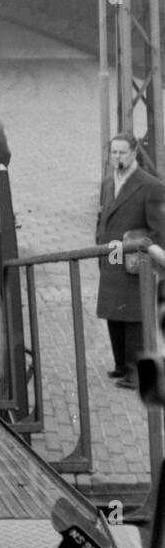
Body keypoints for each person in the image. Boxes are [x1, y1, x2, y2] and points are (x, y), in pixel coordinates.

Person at [95, 134, 165, 387]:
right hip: (112, 254)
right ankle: (121, 364)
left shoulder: (151, 186)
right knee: (114, 312)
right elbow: (103, 217)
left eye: (122, 152)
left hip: (136, 261)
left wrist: (148, 258)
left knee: (134, 315)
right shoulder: (107, 183)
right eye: (114, 152)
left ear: (134, 153)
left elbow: (159, 230)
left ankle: (136, 374)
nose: (117, 157)